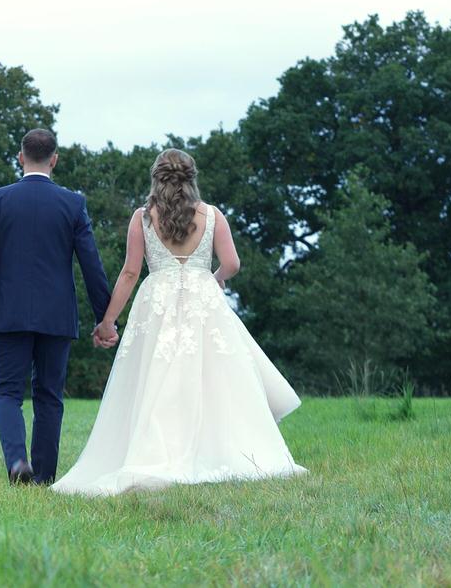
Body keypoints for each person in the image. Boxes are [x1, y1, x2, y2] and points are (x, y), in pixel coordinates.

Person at [51, 148, 307, 496]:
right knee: (215, 377)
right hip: (203, 299)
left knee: (157, 377)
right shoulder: (213, 215)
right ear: (192, 177)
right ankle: (223, 450)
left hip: (158, 302)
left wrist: (109, 321)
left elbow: (129, 272)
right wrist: (213, 277)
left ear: (156, 178)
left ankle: (156, 448)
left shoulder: (143, 217)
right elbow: (232, 263)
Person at [0, 128, 111, 485]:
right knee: (49, 396)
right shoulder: (73, 204)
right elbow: (91, 264)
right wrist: (105, 318)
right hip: (57, 316)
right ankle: (42, 477)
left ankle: (16, 462)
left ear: (20, 156)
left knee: (7, 394)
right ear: (54, 160)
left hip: (9, 313)